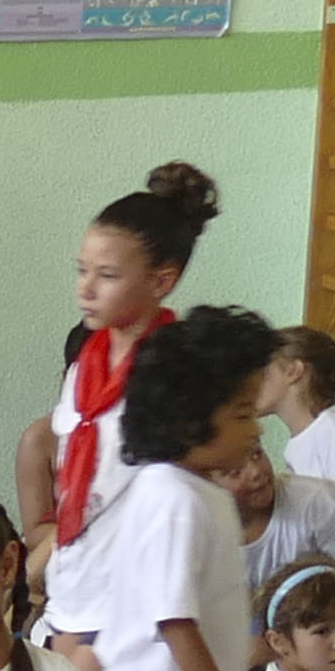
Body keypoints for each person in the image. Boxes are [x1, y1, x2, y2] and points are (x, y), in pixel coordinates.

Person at [62, 306, 279, 671]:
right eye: (242, 415)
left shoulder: (196, 492)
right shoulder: (174, 500)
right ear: (188, 424)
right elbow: (173, 619)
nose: (256, 431)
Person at [20, 161, 221, 646]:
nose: (85, 288)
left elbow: (185, 484)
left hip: (137, 589)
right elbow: (81, 481)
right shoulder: (84, 365)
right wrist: (50, 557)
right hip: (78, 579)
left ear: (161, 281)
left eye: (107, 275)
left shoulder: (173, 371)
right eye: (82, 270)